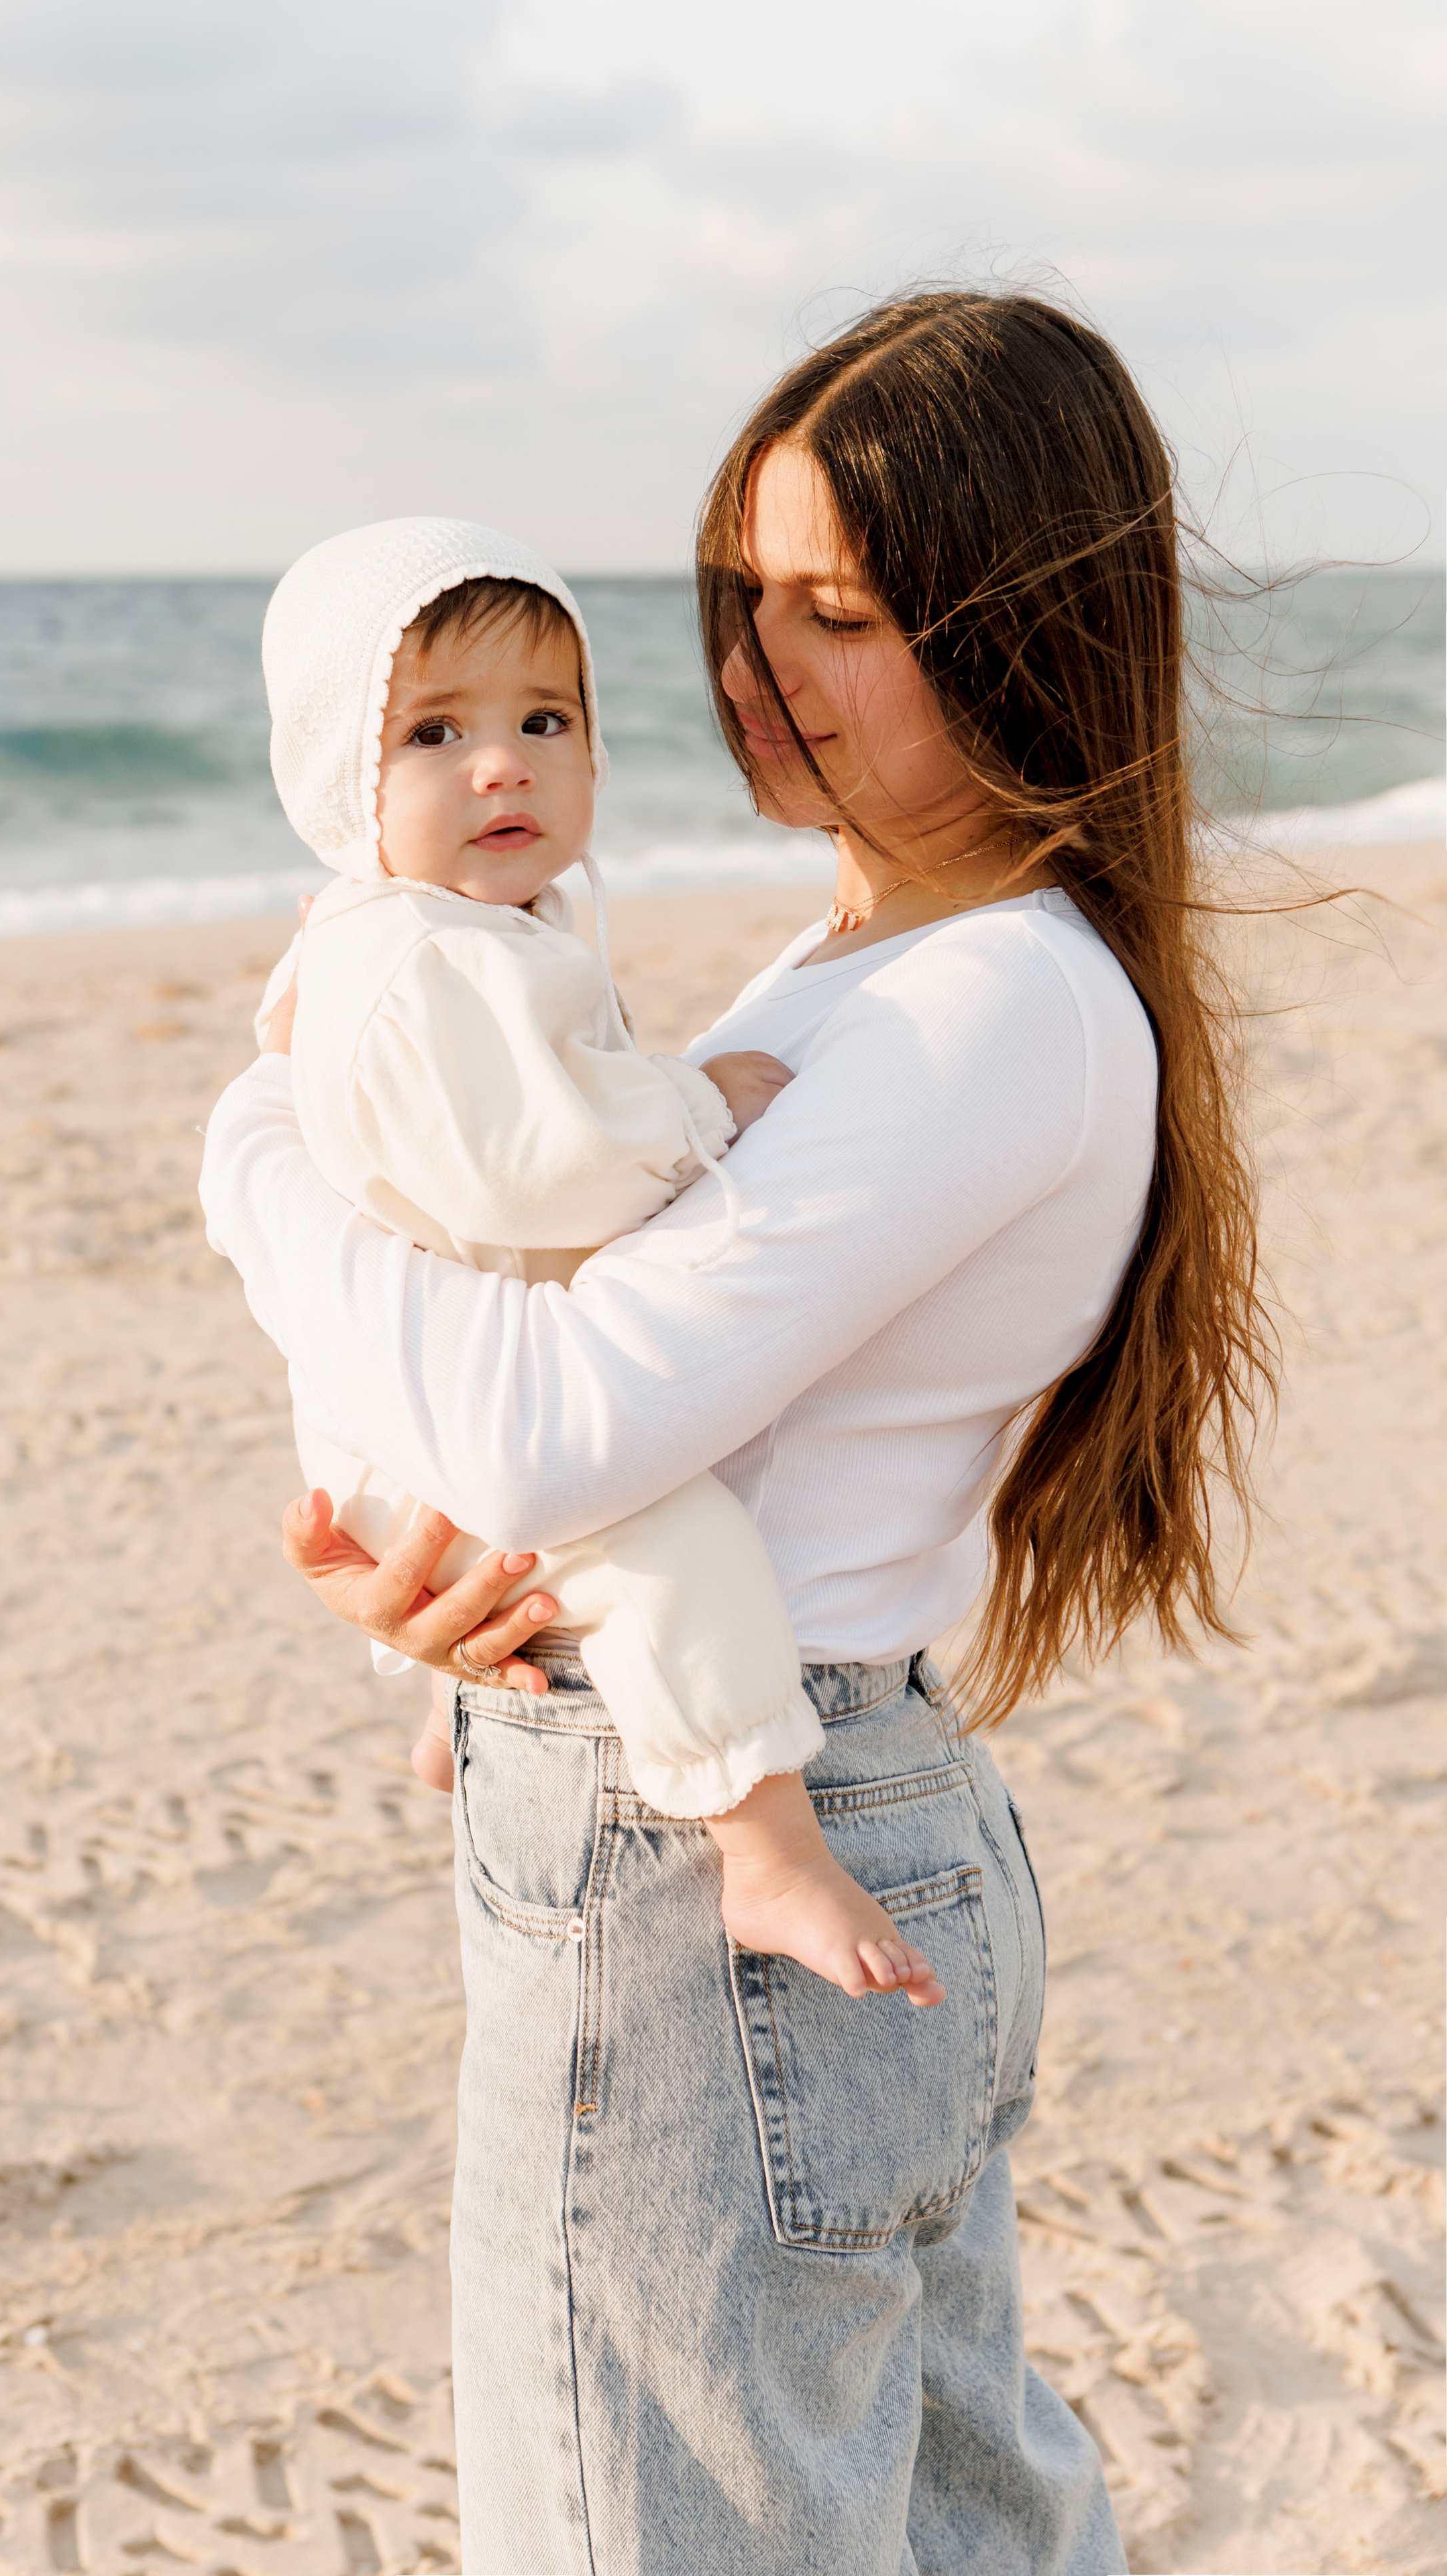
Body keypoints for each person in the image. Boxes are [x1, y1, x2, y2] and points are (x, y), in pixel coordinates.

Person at [201, 288, 1271, 2575]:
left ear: (1026, 627)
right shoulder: (871, 960)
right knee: (965, 2516)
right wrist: (446, 1609)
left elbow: (565, 1421)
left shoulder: (985, 1005)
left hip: (720, 1887)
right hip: (780, 1804)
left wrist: (257, 1167)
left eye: (842, 613)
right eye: (737, 603)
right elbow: (585, 1390)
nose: (756, 668)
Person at [247, 514, 945, 2006]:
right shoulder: (415, 952)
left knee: (575, 1563)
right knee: (674, 1546)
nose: (501, 764)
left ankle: (463, 1718)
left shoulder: (482, 919)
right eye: (434, 732)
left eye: (542, 721)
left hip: (447, 1370)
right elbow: (533, 1157)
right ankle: (760, 1843)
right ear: (334, 780)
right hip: (434, 1407)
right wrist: (699, 1104)